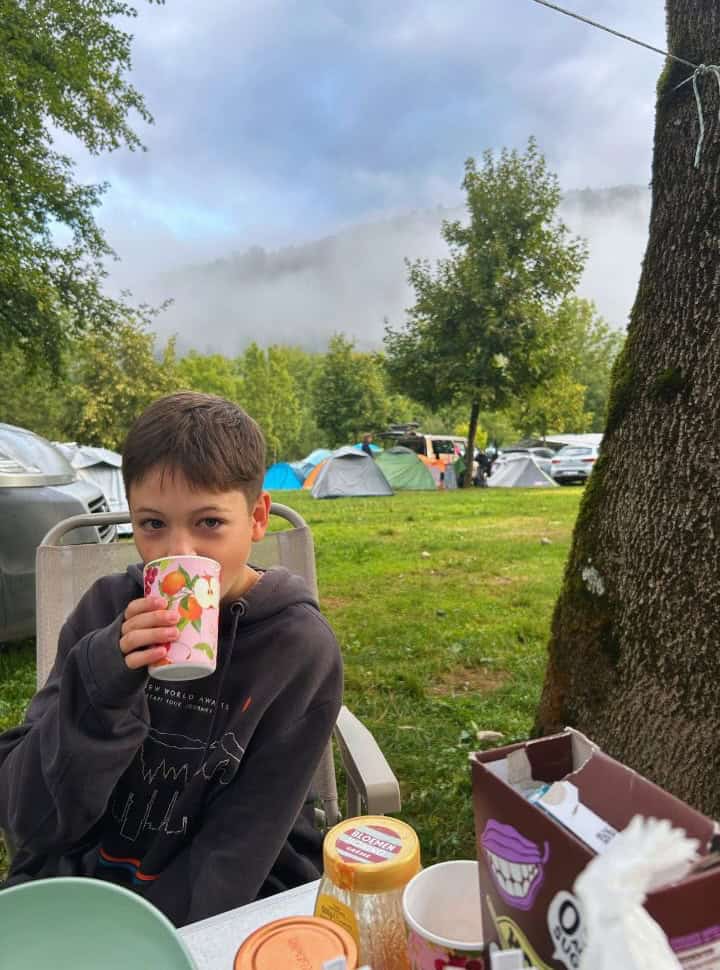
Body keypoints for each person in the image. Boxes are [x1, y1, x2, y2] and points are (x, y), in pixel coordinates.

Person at [0, 392, 343, 927]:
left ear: (256, 519)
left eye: (209, 523)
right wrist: (101, 682)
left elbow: (243, 840)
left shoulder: (296, 646)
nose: (176, 552)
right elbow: (30, 817)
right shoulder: (104, 611)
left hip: (218, 894)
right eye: (152, 524)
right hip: (85, 874)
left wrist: (147, 938)